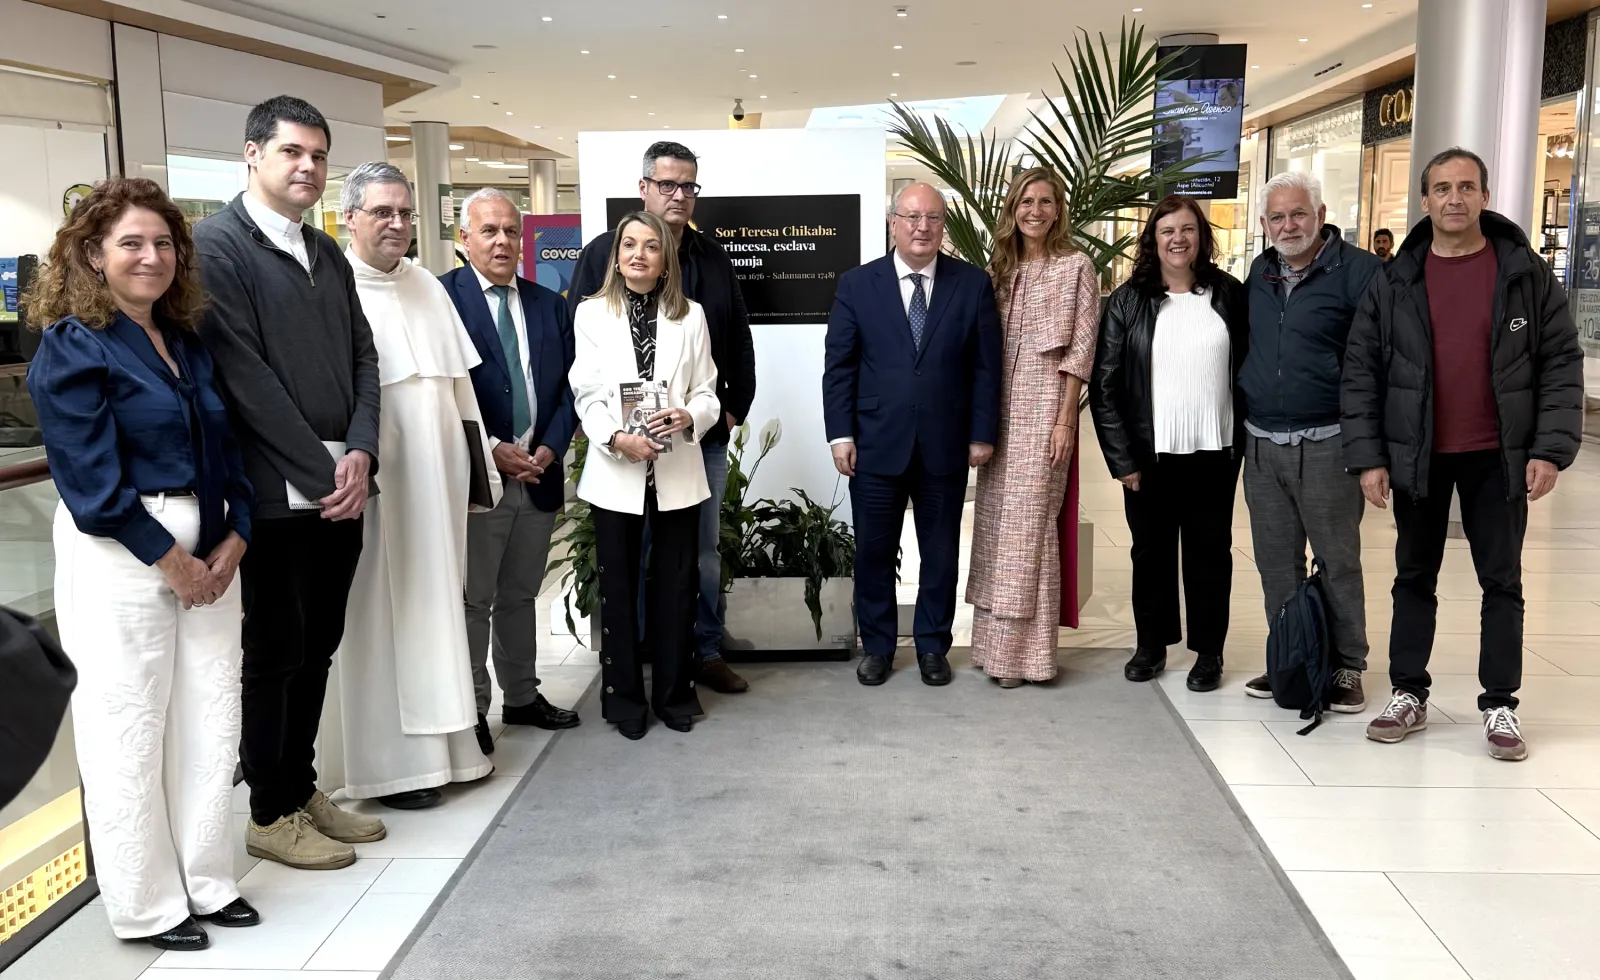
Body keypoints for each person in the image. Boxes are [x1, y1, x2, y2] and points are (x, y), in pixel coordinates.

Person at [25, 177, 258, 950]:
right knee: (128, 728)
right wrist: (174, 562)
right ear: (93, 254)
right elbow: (90, 483)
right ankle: (148, 904)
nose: (151, 256)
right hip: (123, 558)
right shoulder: (72, 344)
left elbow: (228, 451)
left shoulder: (185, 339)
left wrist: (236, 536)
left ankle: (208, 880)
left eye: (163, 243)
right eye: (131, 242)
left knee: (211, 719)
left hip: (212, 549)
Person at [193, 95, 386, 870]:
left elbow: (366, 359)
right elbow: (245, 378)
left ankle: (300, 786)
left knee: (318, 646)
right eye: (290, 153)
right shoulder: (217, 248)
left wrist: (363, 454)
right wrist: (324, 469)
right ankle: (268, 812)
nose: (306, 167)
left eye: (317, 155)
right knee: (273, 650)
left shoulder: (327, 252)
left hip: (342, 491)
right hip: (275, 496)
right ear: (252, 155)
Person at [1343, 147, 1584, 761]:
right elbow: (1362, 371)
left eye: (1467, 187)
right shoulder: (1394, 279)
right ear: (1424, 200)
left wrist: (1551, 449)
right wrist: (1369, 457)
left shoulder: (1525, 274)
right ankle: (1408, 692)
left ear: (1484, 196)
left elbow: (1560, 362)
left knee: (1501, 581)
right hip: (1419, 455)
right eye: (1443, 188)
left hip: (1497, 457)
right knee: (1413, 577)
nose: (1455, 198)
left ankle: (1500, 702)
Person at [334, 163, 498, 808]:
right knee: (382, 616)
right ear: (350, 217)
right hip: (381, 487)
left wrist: (477, 477)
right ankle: (393, 768)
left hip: (440, 485)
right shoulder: (335, 288)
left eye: (405, 213)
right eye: (382, 213)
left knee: (438, 608)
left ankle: (452, 751)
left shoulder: (429, 285)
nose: (398, 225)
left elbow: (463, 396)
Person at [569, 142, 756, 694]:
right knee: (631, 559)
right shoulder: (603, 255)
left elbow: (734, 342)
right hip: (621, 445)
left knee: (695, 555)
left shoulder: (713, 258)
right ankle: (639, 664)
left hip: (696, 440)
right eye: (668, 184)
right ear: (644, 188)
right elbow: (582, 357)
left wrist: (726, 413)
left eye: (689, 186)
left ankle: (699, 653)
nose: (679, 195)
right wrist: (606, 431)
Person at [824, 182, 1001, 687]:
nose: (922, 227)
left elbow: (987, 368)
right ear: (893, 223)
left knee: (940, 552)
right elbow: (839, 367)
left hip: (946, 442)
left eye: (933, 218)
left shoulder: (972, 284)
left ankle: (931, 646)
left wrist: (981, 432)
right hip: (876, 441)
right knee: (873, 552)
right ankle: (877, 646)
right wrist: (841, 434)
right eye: (912, 217)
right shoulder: (858, 284)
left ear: (944, 226)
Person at [1090, 195, 1249, 692]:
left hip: (1214, 452)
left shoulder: (1229, 295)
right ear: (1152, 240)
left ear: (1201, 236)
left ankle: (1208, 653)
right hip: (1148, 456)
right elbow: (1105, 385)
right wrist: (1121, 459)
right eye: (1167, 231)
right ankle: (1151, 645)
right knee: (1151, 553)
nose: (1178, 239)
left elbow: (1250, 370)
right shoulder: (1126, 301)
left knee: (1209, 554)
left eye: (1187, 229)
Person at [571, 211, 721, 739]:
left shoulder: (692, 316)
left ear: (665, 259)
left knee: (678, 586)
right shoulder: (591, 314)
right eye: (629, 244)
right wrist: (615, 440)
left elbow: (707, 391)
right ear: (616, 255)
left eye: (651, 246)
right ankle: (625, 702)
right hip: (617, 469)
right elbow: (586, 394)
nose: (639, 254)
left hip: (677, 467)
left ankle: (676, 696)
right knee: (620, 587)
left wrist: (690, 416)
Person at [442, 187, 580, 751]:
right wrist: (494, 446)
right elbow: (443, 394)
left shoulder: (549, 303)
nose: (502, 241)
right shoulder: (442, 301)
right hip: (481, 475)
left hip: (539, 473)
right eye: (489, 231)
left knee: (521, 594)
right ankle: (474, 709)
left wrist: (550, 445)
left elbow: (572, 387)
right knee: (475, 598)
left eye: (510, 232)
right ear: (464, 238)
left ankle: (522, 697)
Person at [1238, 172, 1381, 710]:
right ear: (1264, 225)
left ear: (1321, 215)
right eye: (1277, 217)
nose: (1288, 225)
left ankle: (1347, 665)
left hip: (1329, 445)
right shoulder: (1260, 272)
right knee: (1277, 563)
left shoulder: (1361, 272)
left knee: (1337, 559)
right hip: (1263, 445)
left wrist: (1371, 453)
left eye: (1298, 214)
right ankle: (1293, 659)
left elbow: (1376, 364)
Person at [966, 168, 1100, 687]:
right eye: (1026, 201)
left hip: (1046, 410)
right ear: (1012, 209)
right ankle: (991, 649)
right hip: (995, 412)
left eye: (1046, 201)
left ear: (1059, 209)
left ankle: (1027, 658)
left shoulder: (1076, 267)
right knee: (995, 528)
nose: (1036, 211)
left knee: (1030, 530)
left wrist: (1066, 419)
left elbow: (1081, 349)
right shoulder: (998, 270)